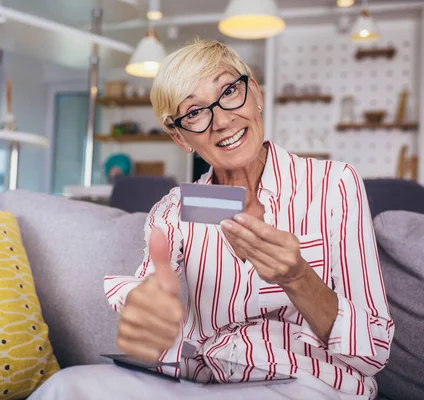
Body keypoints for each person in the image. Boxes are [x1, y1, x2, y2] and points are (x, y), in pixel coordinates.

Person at [29, 40, 394, 400]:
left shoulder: (332, 184)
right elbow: (151, 286)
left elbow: (373, 350)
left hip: (310, 382)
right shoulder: (179, 207)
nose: (221, 120)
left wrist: (298, 278)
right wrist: (149, 306)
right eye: (195, 113)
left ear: (256, 93)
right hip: (210, 380)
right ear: (179, 137)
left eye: (230, 91)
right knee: (68, 387)